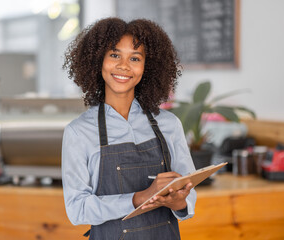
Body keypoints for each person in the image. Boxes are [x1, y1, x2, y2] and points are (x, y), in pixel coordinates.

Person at [61, 17, 196, 240]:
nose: (124, 66)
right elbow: (77, 209)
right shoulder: (78, 132)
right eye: (115, 55)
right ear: (98, 60)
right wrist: (140, 197)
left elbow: (189, 192)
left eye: (135, 58)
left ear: (147, 67)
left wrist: (180, 202)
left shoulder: (169, 124)